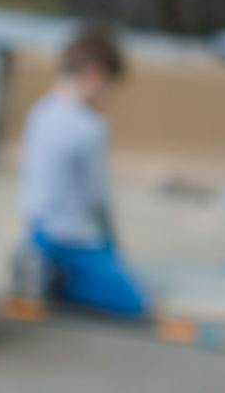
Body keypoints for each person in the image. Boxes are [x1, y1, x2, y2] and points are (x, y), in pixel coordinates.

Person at [18, 24, 146, 318]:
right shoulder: (90, 127)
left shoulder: (41, 111)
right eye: (109, 88)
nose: (109, 98)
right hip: (73, 237)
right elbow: (95, 198)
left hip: (38, 230)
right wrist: (112, 244)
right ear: (94, 76)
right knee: (133, 302)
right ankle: (59, 281)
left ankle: (39, 267)